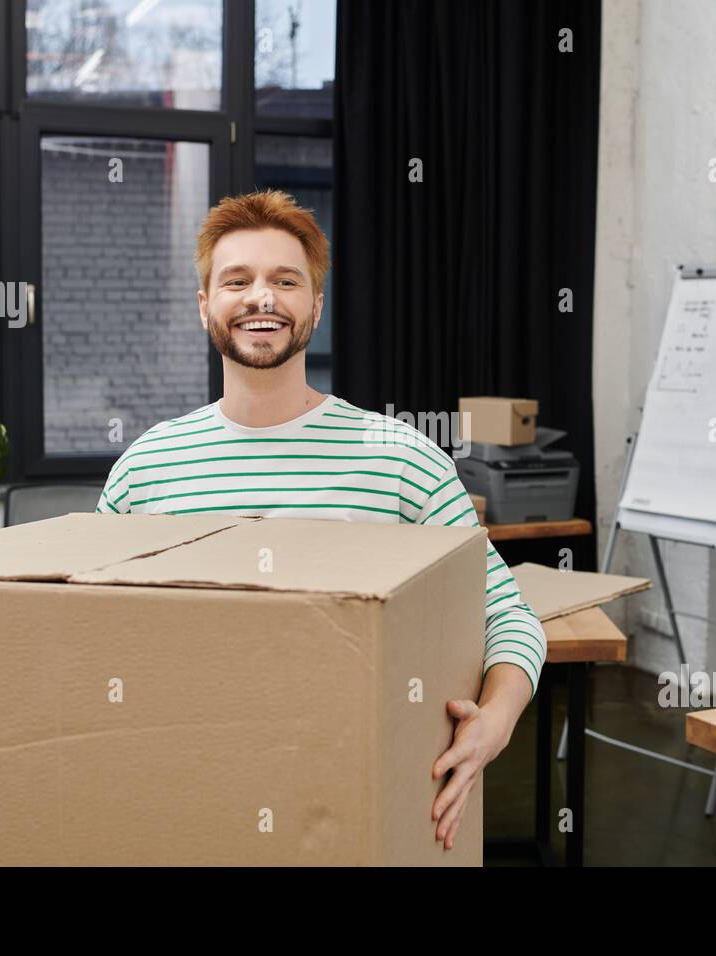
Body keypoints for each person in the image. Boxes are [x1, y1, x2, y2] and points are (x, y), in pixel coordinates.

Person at [97, 189, 546, 852]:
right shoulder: (148, 465)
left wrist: (496, 722)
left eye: (286, 281)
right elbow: (89, 626)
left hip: (351, 794)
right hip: (186, 794)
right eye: (236, 281)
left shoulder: (403, 460)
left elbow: (507, 616)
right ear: (204, 306)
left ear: (316, 304)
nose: (262, 299)